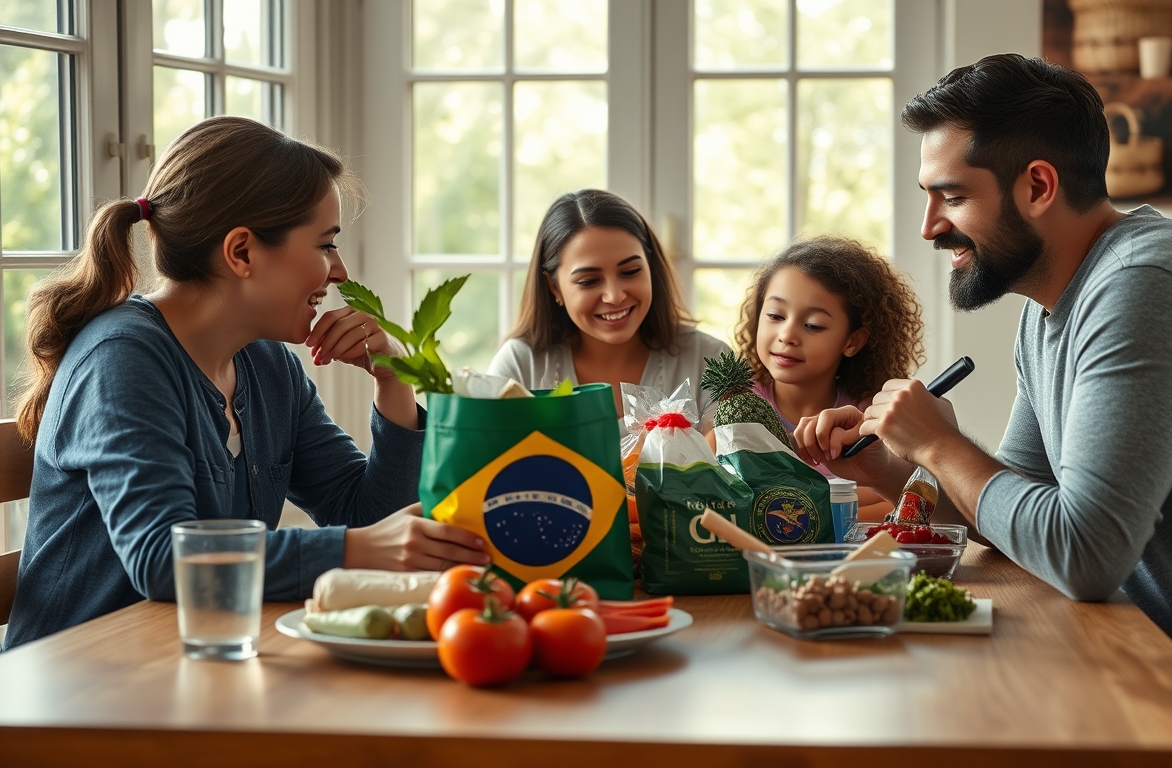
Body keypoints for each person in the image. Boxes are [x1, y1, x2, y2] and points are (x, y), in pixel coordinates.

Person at [793, 54, 1172, 764]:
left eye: (951, 197)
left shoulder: (1146, 286)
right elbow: (1019, 514)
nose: (930, 227)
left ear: (1038, 186)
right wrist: (895, 465)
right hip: (1133, 670)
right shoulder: (1058, 305)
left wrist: (940, 447)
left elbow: (1082, 554)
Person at [4, 116, 488, 650]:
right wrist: (357, 550)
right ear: (242, 253)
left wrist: (394, 383)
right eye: (325, 245)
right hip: (84, 689)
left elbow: (366, 516)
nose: (340, 272)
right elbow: (163, 559)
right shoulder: (122, 360)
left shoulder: (266, 364)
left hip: (196, 666)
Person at [489, 189, 729, 429]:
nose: (615, 296)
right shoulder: (521, 365)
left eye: (630, 272)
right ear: (554, 287)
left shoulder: (709, 361)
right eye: (588, 281)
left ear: (650, 267)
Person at [736, 235, 924, 521]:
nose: (787, 335)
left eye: (813, 325)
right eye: (775, 315)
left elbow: (903, 499)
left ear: (852, 341)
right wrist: (838, 502)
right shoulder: (740, 403)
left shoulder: (871, 414)